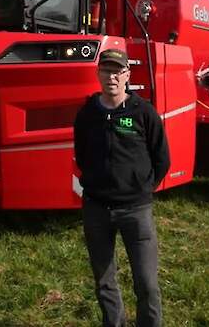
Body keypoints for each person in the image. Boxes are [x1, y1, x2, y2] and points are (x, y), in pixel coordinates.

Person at [73, 48, 170, 327]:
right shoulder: (87, 114)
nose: (112, 77)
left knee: (147, 284)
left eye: (118, 71)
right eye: (106, 70)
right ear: (98, 74)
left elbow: (161, 157)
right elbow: (81, 154)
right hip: (96, 210)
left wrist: (142, 188)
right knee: (104, 282)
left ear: (127, 75)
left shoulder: (144, 113)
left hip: (136, 211)